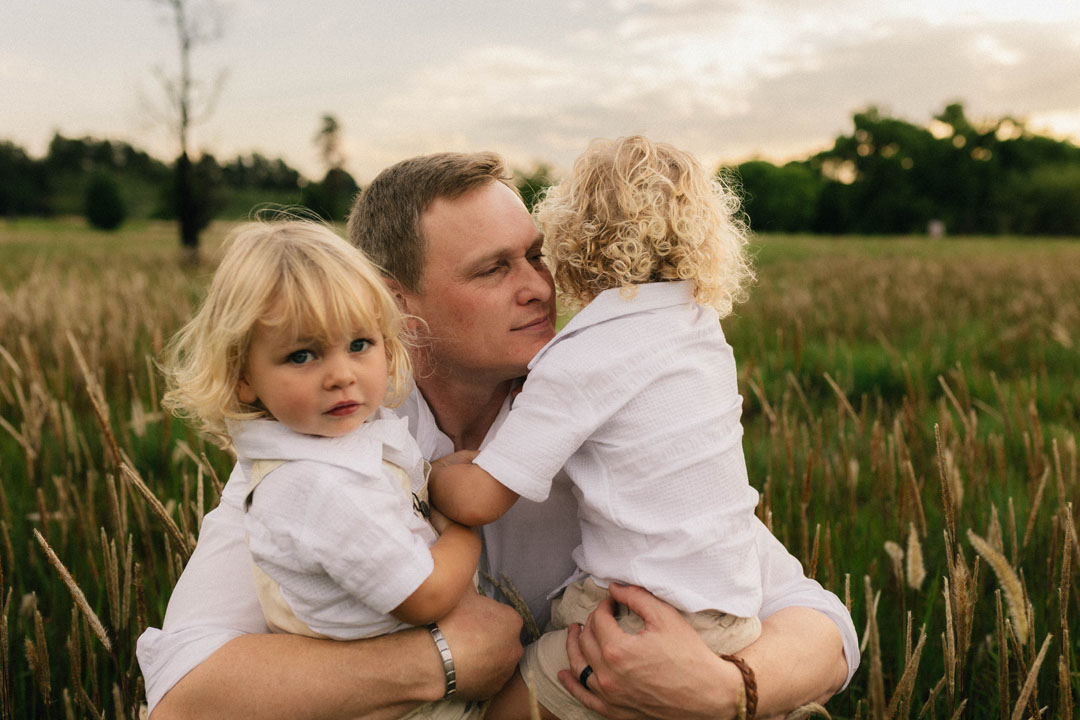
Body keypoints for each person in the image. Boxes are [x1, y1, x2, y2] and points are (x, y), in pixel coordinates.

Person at [138, 151, 860, 720]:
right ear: (397, 305)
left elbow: (822, 627)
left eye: (537, 256)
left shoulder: (608, 415)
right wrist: (445, 660)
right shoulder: (323, 452)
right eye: (494, 269)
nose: (541, 288)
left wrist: (727, 690)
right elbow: (183, 696)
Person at [428, 135, 764, 720]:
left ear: (571, 239)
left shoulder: (583, 355)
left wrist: (434, 474)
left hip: (636, 622)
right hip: (735, 613)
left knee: (507, 706)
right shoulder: (700, 330)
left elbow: (481, 500)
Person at [158, 219, 484, 719]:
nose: (340, 375)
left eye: (359, 345)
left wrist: (436, 474)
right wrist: (467, 520)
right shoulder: (311, 483)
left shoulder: (347, 440)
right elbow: (426, 596)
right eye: (302, 355)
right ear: (243, 378)